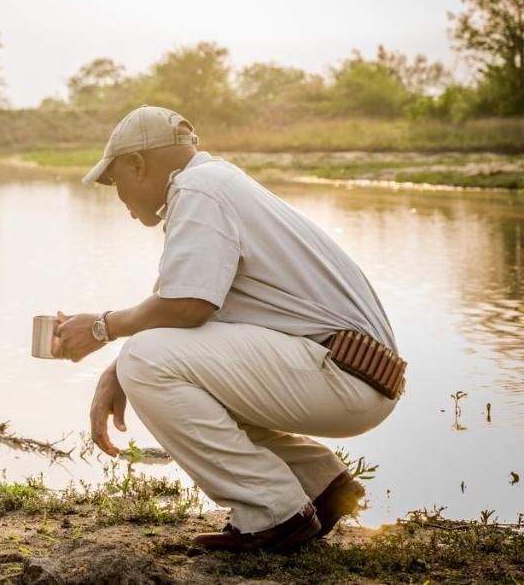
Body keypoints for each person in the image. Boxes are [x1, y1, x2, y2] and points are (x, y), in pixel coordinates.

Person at [54, 106, 402, 554]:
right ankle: (317, 483)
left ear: (137, 164)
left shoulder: (199, 190)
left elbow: (186, 309)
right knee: (146, 359)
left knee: (146, 360)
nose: (115, 191)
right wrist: (115, 370)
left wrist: (102, 328)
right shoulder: (213, 184)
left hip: (344, 376)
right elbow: (182, 320)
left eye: (113, 178)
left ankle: (274, 513)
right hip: (356, 374)